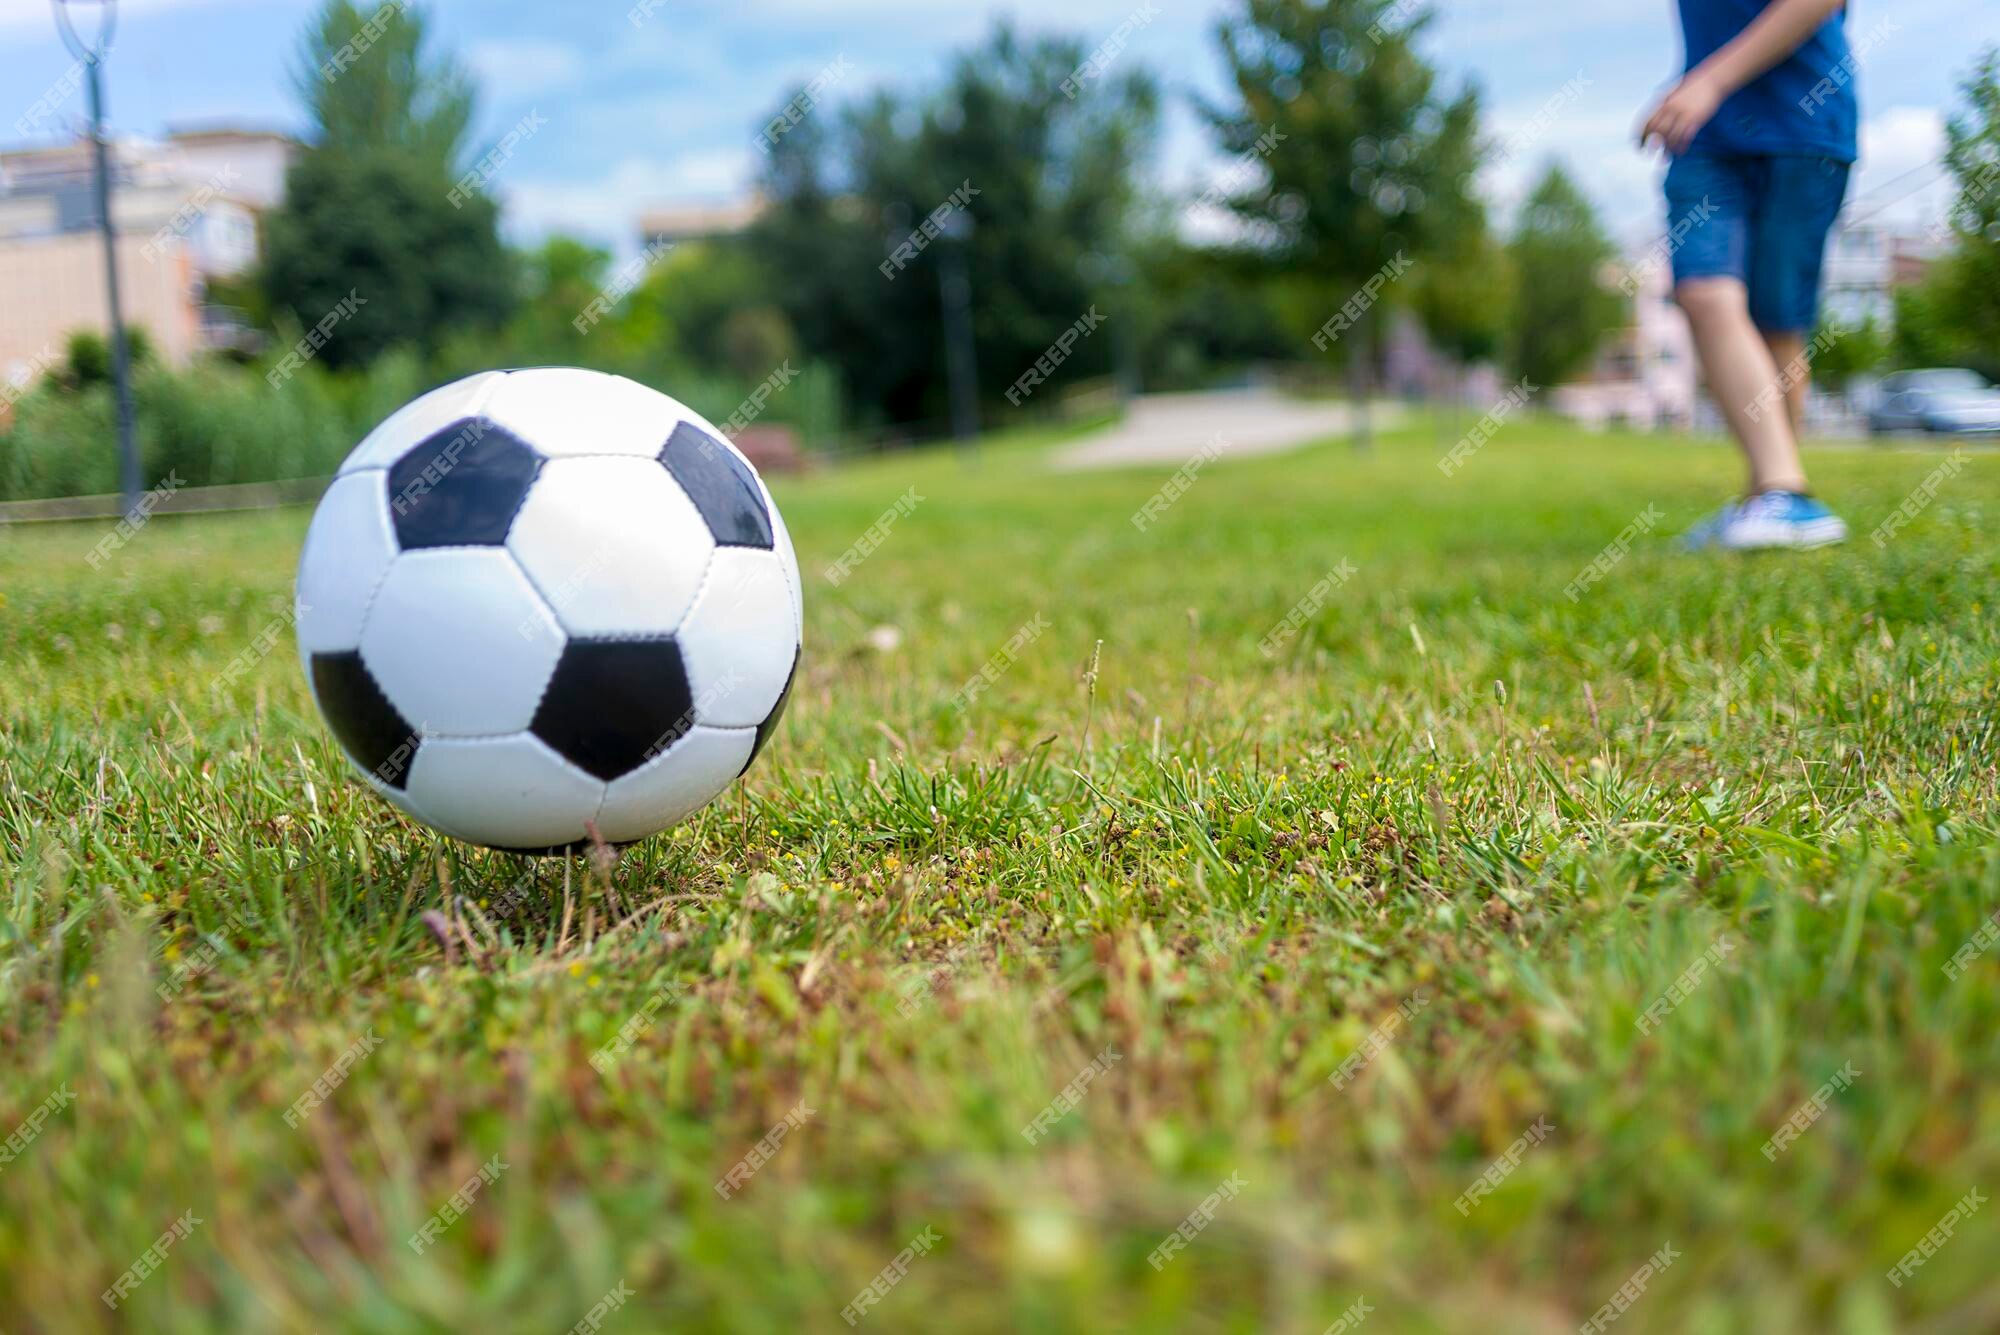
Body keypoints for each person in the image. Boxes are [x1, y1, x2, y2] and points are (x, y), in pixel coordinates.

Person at [1640, 0, 1858, 550]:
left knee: (1778, 322)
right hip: (1706, 139)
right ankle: (1780, 494)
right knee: (1702, 291)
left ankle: (1774, 495)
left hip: (1803, 125)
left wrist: (1709, 80)